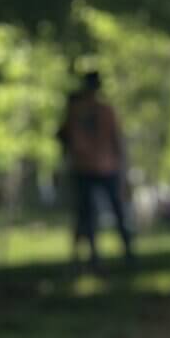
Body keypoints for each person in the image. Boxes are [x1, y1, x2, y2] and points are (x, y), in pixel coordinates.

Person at [60, 71, 134, 266]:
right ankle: (104, 254)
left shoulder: (79, 110)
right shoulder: (94, 110)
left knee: (91, 213)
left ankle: (111, 253)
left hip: (95, 166)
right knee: (94, 212)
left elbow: (64, 137)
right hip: (98, 166)